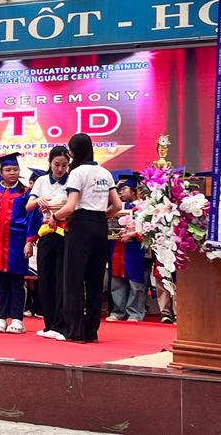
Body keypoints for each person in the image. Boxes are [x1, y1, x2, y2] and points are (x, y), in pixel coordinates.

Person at [49, 133, 123, 343]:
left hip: (81, 226)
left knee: (73, 280)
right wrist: (100, 217)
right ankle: (91, 332)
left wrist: (54, 217)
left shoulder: (77, 172)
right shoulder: (105, 172)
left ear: (74, 151)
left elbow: (70, 206)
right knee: (95, 281)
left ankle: (74, 331)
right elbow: (117, 206)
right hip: (100, 226)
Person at [0, 153, 38, 334]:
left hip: (17, 242)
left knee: (16, 281)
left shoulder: (26, 193)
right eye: (8, 170)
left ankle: (17, 320)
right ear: (1, 172)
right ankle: (1, 318)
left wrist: (29, 241)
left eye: (15, 169)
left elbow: (31, 218)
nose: (12, 173)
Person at [26, 146, 70, 340]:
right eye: (56, 164)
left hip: (66, 232)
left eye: (64, 165)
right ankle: (49, 324)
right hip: (46, 232)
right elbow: (28, 206)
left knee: (62, 279)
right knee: (45, 279)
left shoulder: (72, 180)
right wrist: (39, 201)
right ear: (50, 163)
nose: (60, 169)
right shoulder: (42, 181)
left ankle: (61, 324)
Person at [107, 175, 147, 323]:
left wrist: (134, 234)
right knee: (117, 280)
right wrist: (115, 187)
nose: (121, 193)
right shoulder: (118, 206)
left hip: (134, 247)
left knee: (135, 281)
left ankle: (135, 313)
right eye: (119, 190)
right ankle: (118, 311)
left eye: (124, 189)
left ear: (135, 191)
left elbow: (148, 229)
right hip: (117, 246)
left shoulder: (143, 207)